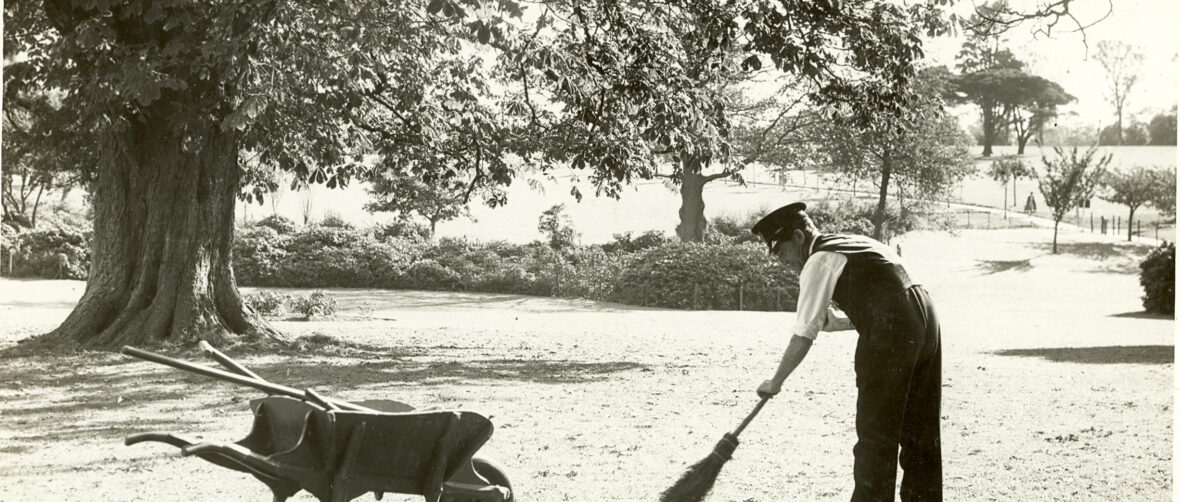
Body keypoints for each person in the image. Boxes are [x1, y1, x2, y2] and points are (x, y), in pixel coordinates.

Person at [751, 202, 942, 502]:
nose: (781, 261)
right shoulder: (850, 242)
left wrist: (775, 382)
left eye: (780, 251)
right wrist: (839, 322)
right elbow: (890, 295)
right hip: (926, 319)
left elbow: (803, 335)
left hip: (894, 329)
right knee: (921, 432)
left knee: (875, 437)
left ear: (798, 237)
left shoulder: (817, 260)